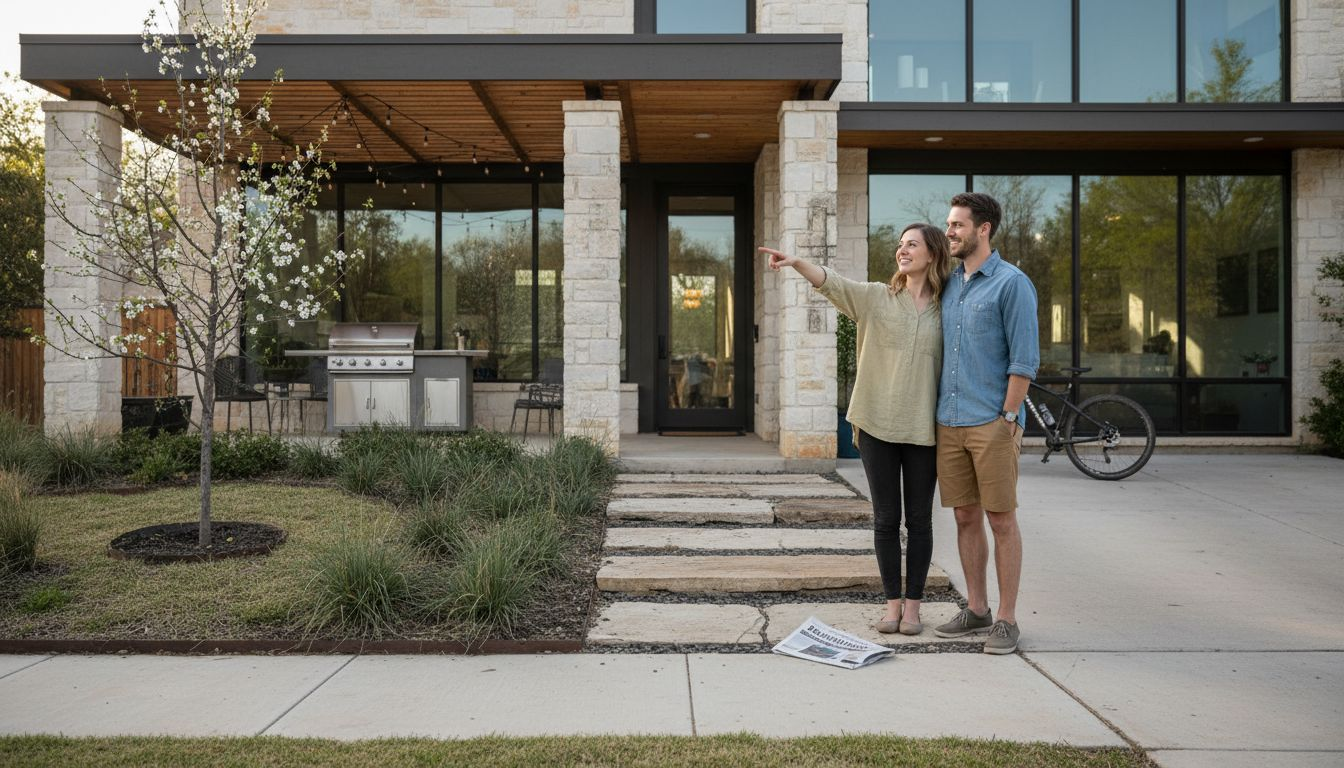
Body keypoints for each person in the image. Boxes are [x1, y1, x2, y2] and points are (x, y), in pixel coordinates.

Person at [759, 223, 951, 636]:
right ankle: (892, 606)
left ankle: (914, 609)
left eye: (912, 245)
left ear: (933, 254)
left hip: (924, 430)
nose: (902, 250)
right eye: (900, 245)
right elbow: (832, 283)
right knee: (886, 519)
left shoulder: (948, 307)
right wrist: (797, 262)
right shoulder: (877, 297)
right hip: (876, 424)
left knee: (920, 521)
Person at [931, 192, 1039, 655]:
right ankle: (977, 609)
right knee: (964, 516)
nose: (949, 232)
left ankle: (1007, 619)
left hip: (991, 421)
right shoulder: (949, 284)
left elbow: (1024, 360)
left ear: (984, 229)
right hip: (949, 421)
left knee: (1001, 519)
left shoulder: (1012, 284)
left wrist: (1007, 418)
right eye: (949, 224)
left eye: (957, 225)